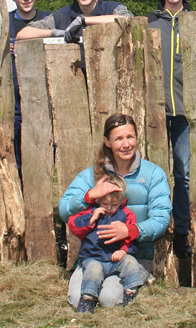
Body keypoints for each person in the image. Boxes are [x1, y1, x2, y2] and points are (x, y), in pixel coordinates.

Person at [59, 113, 171, 308]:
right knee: (78, 299)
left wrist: (131, 231)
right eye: (118, 138)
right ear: (107, 142)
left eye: (130, 137)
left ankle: (136, 278)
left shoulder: (153, 174)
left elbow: (161, 219)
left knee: (109, 299)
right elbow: (64, 210)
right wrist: (90, 195)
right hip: (94, 254)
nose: (126, 144)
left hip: (130, 255)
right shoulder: (93, 174)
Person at [146, 0, 196, 258]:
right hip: (157, 111)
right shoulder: (149, 22)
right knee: (155, 173)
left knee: (184, 173)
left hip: (187, 111)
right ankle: (155, 230)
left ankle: (183, 232)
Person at [68, 174, 146, 313]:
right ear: (98, 200)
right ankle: (88, 298)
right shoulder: (90, 211)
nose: (109, 208)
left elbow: (131, 238)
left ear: (121, 201)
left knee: (130, 262)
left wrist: (123, 250)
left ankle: (131, 291)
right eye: (105, 204)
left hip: (115, 258)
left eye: (114, 205)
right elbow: (73, 225)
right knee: (93, 271)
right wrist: (90, 219)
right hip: (94, 257)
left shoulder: (126, 215)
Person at [7, 0, 49, 170]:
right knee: (16, 154)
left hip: (43, 97)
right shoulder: (3, 24)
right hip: (14, 99)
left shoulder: (48, 20)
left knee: (45, 152)